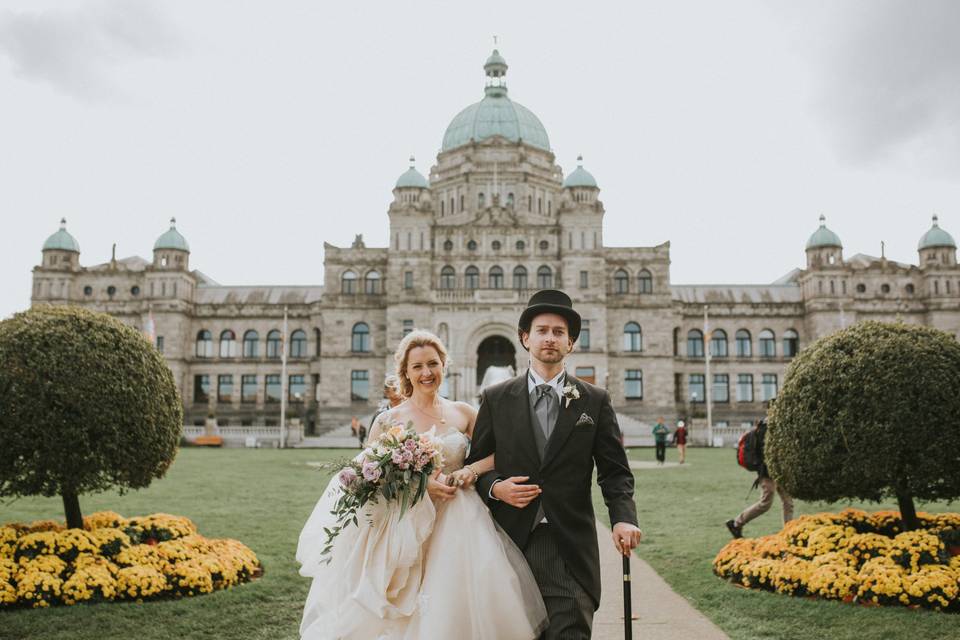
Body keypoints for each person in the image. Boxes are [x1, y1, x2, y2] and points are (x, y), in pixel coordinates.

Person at [297, 330, 547, 640]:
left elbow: (500, 454)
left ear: (445, 365)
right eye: (417, 366)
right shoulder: (389, 420)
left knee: (458, 597)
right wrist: (418, 486)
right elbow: (369, 478)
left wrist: (469, 470)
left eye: (433, 363)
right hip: (406, 523)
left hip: (460, 519)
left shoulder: (464, 412)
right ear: (405, 372)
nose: (426, 373)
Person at [466, 289, 642, 640]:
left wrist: (623, 517)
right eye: (542, 330)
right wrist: (495, 488)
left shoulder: (594, 400)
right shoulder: (496, 399)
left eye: (559, 332)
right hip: (511, 544)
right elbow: (476, 466)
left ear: (571, 344)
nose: (550, 338)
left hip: (569, 548)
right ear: (525, 338)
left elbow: (614, 471)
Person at [725, 418, 794, 538]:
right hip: (767, 473)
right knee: (765, 504)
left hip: (779, 472)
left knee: (788, 502)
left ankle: (788, 534)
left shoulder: (774, 427)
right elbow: (765, 454)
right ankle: (736, 523)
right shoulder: (765, 430)